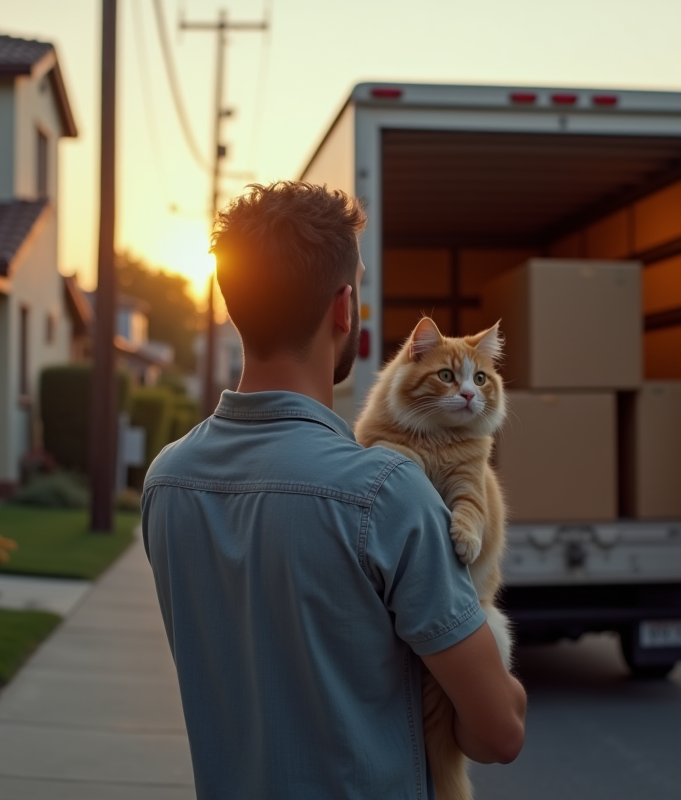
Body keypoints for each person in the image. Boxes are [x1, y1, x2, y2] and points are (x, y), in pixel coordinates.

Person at [142, 181, 526, 799]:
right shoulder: (386, 493)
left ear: (232, 300)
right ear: (343, 308)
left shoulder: (166, 480)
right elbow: (496, 735)